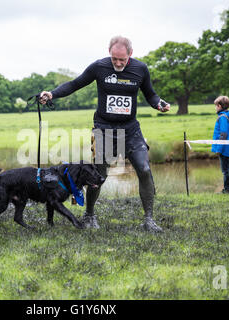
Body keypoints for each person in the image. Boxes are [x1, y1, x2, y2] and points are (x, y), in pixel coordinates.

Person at [39, 36, 170, 232]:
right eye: (114, 59)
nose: (118, 63)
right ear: (109, 53)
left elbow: (150, 94)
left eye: (122, 60)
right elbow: (75, 84)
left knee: (143, 169)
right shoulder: (99, 67)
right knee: (99, 175)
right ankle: (89, 215)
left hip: (131, 130)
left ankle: (149, 220)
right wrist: (52, 93)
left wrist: (159, 103)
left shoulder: (140, 69)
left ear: (130, 55)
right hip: (104, 129)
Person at [211, 96, 229, 194]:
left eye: (216, 106)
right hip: (227, 147)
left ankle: (228, 189)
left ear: (220, 106)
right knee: (228, 168)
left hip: (224, 148)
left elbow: (223, 134)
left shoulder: (222, 117)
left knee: (225, 170)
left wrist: (219, 149)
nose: (215, 108)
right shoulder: (226, 116)